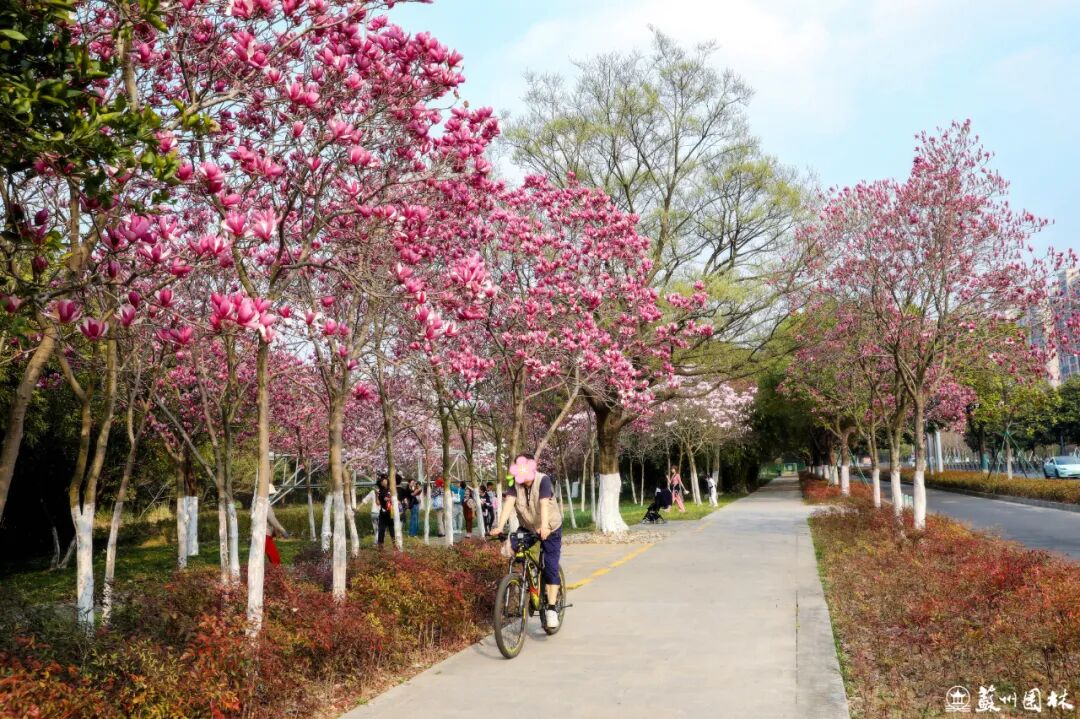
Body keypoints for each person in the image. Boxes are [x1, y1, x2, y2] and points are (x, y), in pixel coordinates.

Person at [490, 453, 563, 629]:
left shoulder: (543, 480)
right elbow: (509, 503)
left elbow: (544, 504)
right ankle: (524, 583)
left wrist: (544, 527)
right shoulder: (514, 483)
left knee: (550, 567)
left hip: (550, 528)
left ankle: (551, 609)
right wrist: (500, 526)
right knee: (510, 549)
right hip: (528, 528)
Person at [264, 484, 290, 565]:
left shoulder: (261, 503)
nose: (271, 496)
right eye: (270, 494)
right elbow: (273, 520)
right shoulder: (265, 504)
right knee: (273, 557)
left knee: (274, 556)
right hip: (264, 534)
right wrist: (283, 531)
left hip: (265, 534)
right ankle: (275, 570)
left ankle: (276, 570)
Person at [376, 476, 395, 546]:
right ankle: (380, 544)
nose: (385, 482)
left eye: (386, 480)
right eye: (383, 481)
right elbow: (383, 500)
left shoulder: (390, 489)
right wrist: (392, 499)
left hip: (391, 511)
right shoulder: (381, 491)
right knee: (382, 528)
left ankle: (394, 543)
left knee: (391, 528)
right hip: (384, 512)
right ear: (381, 483)